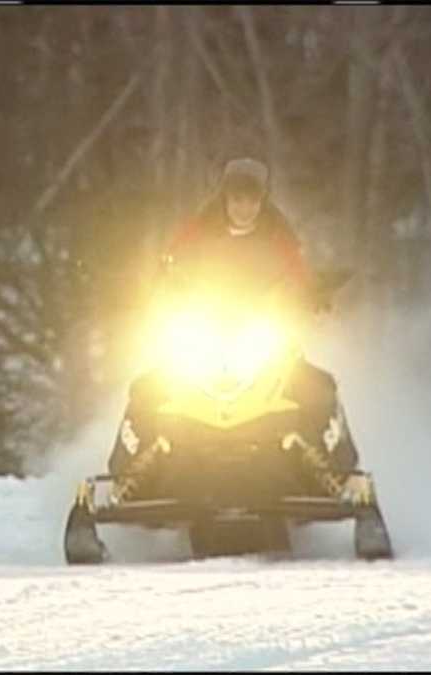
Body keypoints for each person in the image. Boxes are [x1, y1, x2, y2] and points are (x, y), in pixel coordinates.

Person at [107, 157, 360, 501]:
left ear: (262, 200)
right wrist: (155, 288)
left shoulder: (278, 233)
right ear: (225, 198)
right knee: (149, 390)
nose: (245, 208)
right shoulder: (200, 228)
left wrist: (314, 294)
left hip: (264, 329)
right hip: (205, 327)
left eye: (252, 200)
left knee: (316, 388)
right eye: (237, 199)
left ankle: (332, 475)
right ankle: (128, 481)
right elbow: (170, 262)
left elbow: (298, 269)